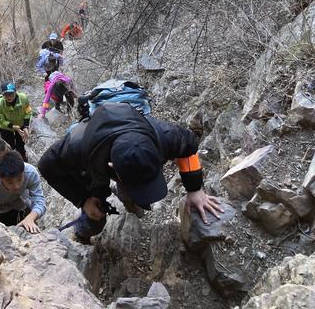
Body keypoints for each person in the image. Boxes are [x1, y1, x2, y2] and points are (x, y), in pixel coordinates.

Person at [38, 102, 222, 243]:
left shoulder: (164, 137)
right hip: (94, 160)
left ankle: (131, 201)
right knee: (95, 214)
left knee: (136, 198)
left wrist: (195, 189)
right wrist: (82, 199)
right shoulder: (76, 148)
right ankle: (82, 235)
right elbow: (46, 167)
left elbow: (189, 147)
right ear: (113, 167)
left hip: (120, 149)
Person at [0, 150, 46, 233]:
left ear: (23, 172)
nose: (17, 186)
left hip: (19, 201)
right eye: (10, 182)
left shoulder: (30, 173)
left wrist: (30, 218)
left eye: (20, 179)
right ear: (0, 178)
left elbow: (40, 201)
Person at [0, 82, 32, 161]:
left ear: (15, 92)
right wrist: (12, 126)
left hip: (20, 124)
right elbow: (0, 120)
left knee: (21, 143)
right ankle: (12, 159)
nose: (9, 97)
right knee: (9, 145)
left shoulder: (23, 98)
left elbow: (28, 111)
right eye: (6, 94)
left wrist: (25, 126)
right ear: (3, 95)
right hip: (6, 128)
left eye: (11, 94)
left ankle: (22, 155)